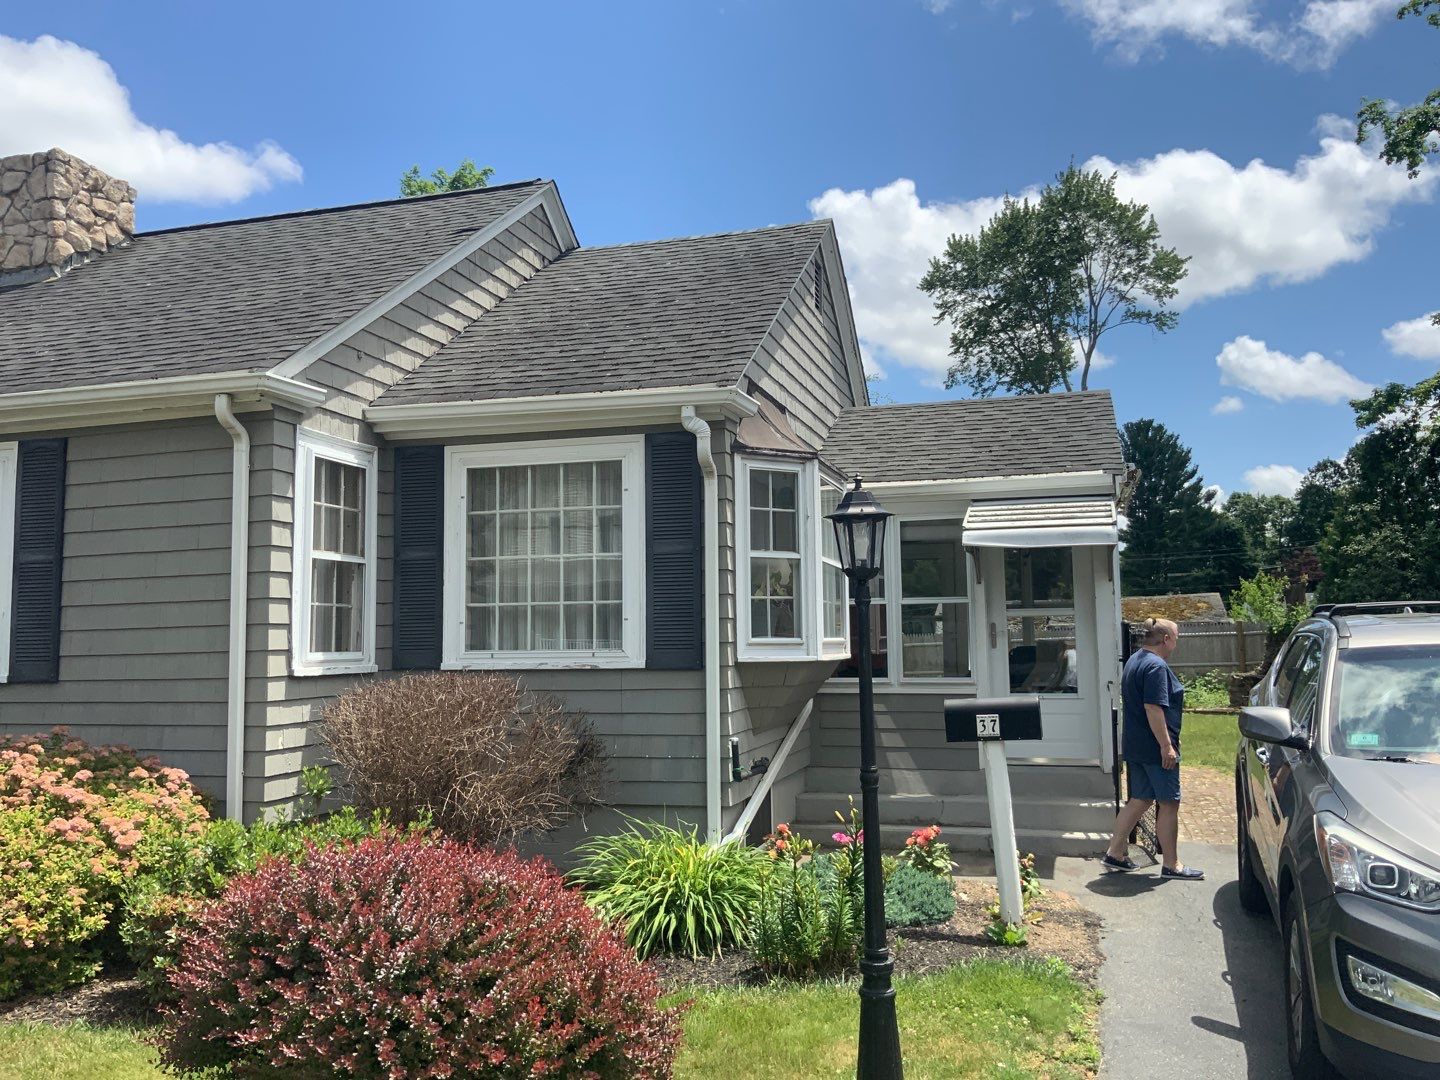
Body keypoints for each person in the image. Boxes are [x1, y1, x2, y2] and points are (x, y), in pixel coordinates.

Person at [1102, 617, 1204, 879]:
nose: (1176, 643)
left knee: (1140, 799)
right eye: (1177, 637)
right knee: (1170, 803)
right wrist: (1167, 747)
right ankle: (1172, 865)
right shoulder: (1156, 666)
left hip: (1135, 745)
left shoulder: (1135, 660)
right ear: (1166, 639)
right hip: (1155, 749)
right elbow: (1153, 707)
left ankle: (1115, 853)